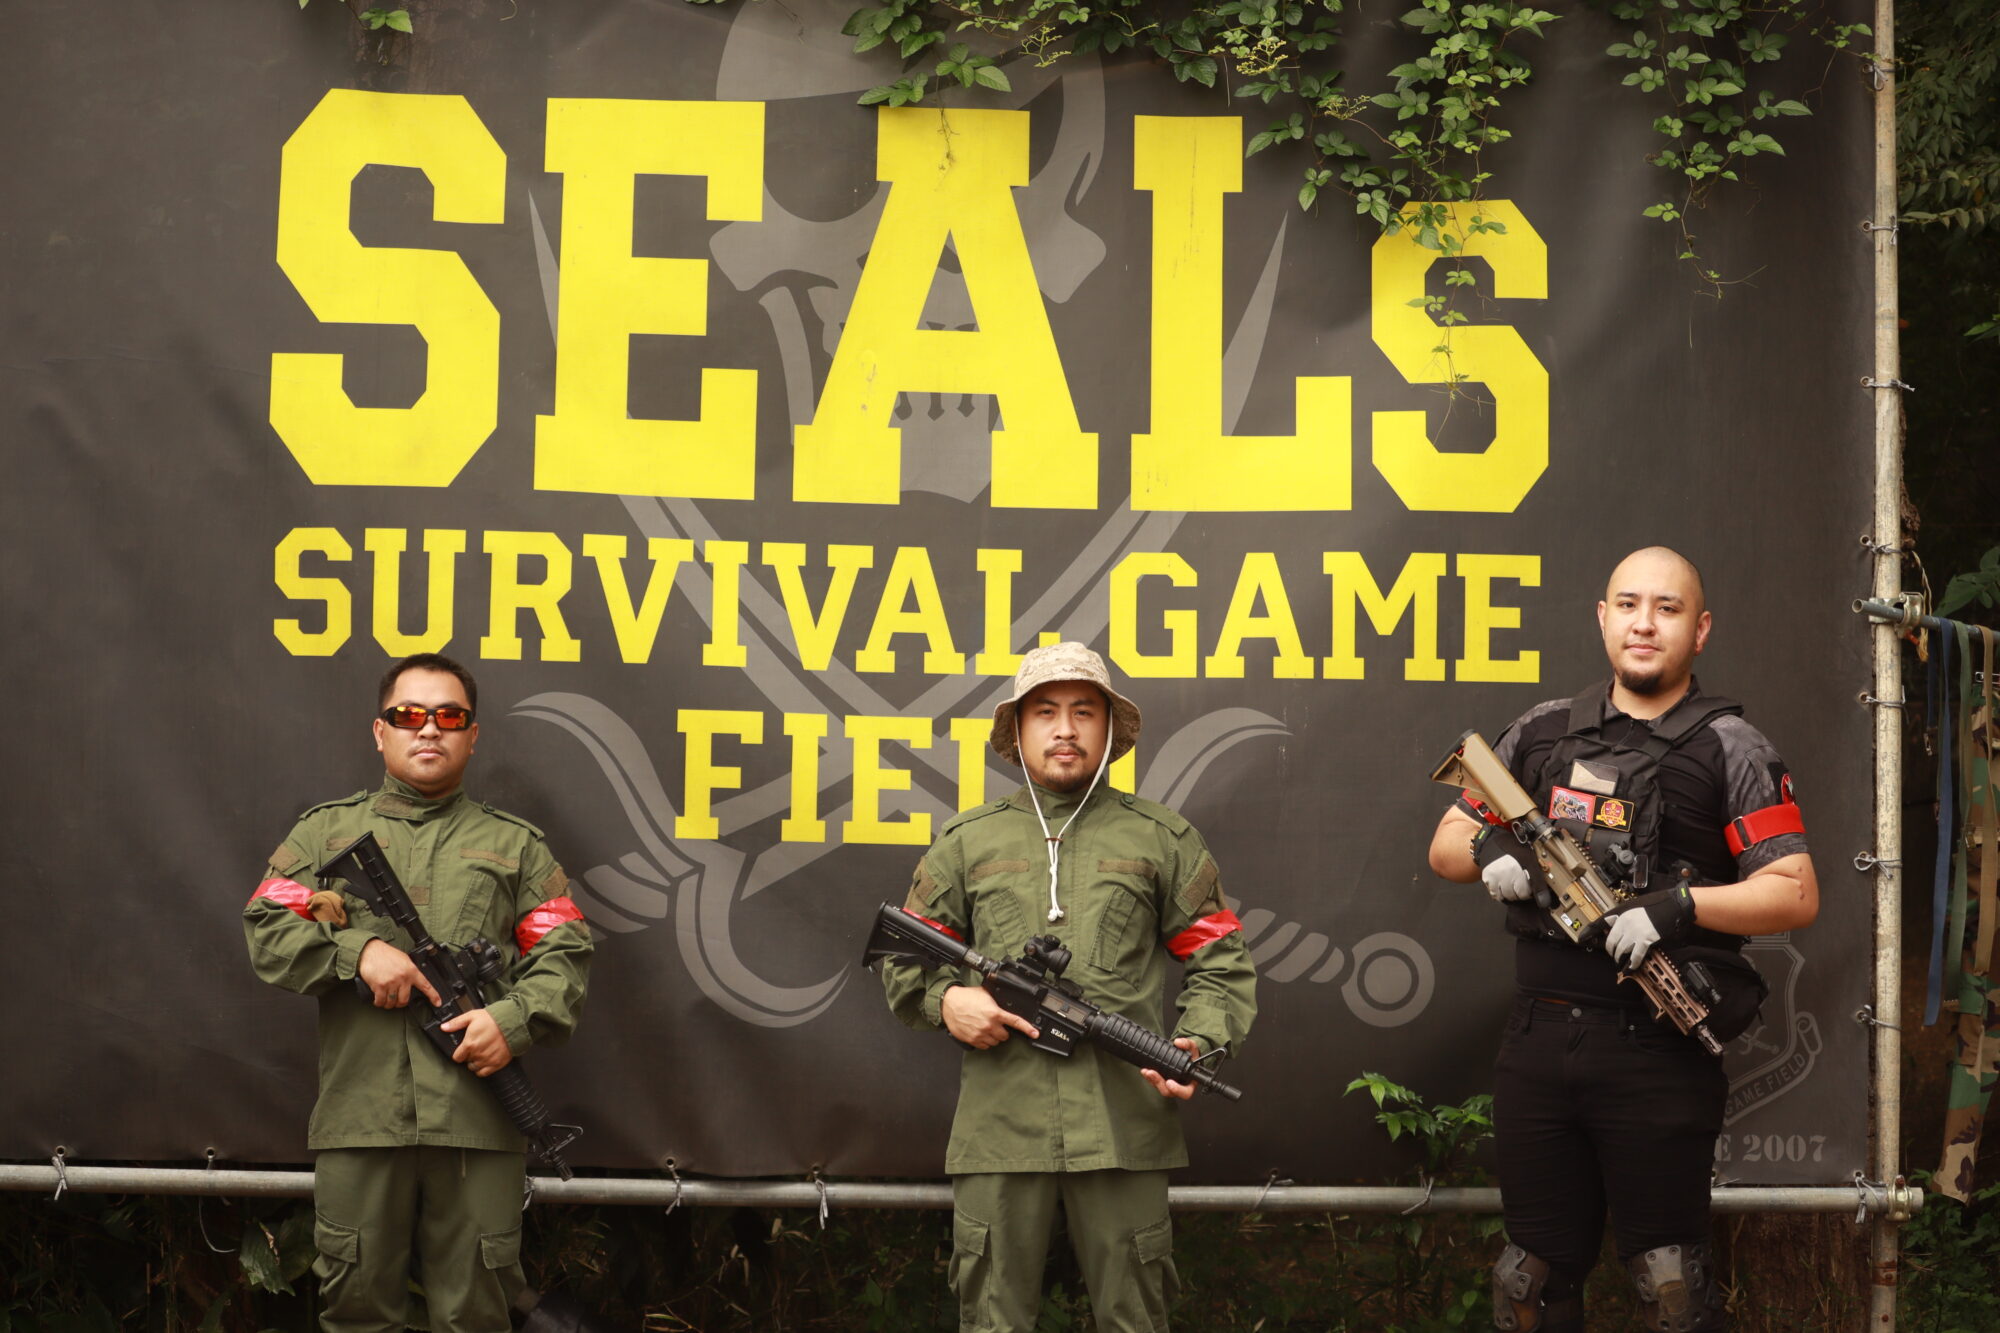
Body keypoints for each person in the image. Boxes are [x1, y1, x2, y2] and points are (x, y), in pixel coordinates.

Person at [1427, 547, 1817, 1333]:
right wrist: (1495, 854)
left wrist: (1676, 908)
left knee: (1671, 1286)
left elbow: (1795, 891)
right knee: (1528, 1279)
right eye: (1629, 605)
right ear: (1603, 618)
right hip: (1538, 1042)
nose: (1645, 623)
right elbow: (1446, 844)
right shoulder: (1543, 730)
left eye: (1667, 608)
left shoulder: (1732, 746)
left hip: (1656, 1050)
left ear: (1699, 629)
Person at [881, 642, 1258, 1333]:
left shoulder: (1162, 839)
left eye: (1084, 712)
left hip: (1123, 1124)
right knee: (992, 1320)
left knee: (1134, 1317)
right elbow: (903, 956)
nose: (1065, 729)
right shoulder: (967, 841)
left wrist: (1198, 1041)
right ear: (1018, 730)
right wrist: (948, 1001)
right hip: (1000, 1127)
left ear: (1109, 729)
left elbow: (1221, 960)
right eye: (1045, 712)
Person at [244, 652, 592, 1333]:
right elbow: (266, 925)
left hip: (477, 1122)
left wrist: (510, 1021)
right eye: (408, 714)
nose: (428, 728)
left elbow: (566, 953)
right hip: (363, 1116)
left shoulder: (516, 847)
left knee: (476, 1312)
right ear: (381, 731)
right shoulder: (323, 834)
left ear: (472, 734)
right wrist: (359, 952)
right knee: (357, 1311)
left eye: (449, 717)